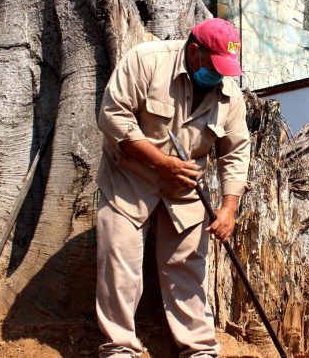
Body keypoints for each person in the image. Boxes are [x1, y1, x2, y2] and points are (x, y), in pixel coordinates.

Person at [95, 18, 251, 357]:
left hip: (183, 188)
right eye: (215, 66)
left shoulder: (229, 95)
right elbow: (112, 115)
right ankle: (119, 348)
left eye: (227, 69)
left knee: (187, 268)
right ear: (194, 52)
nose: (220, 76)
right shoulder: (147, 61)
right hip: (130, 178)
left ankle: (199, 349)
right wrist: (159, 161)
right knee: (119, 263)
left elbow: (236, 152)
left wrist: (228, 209)